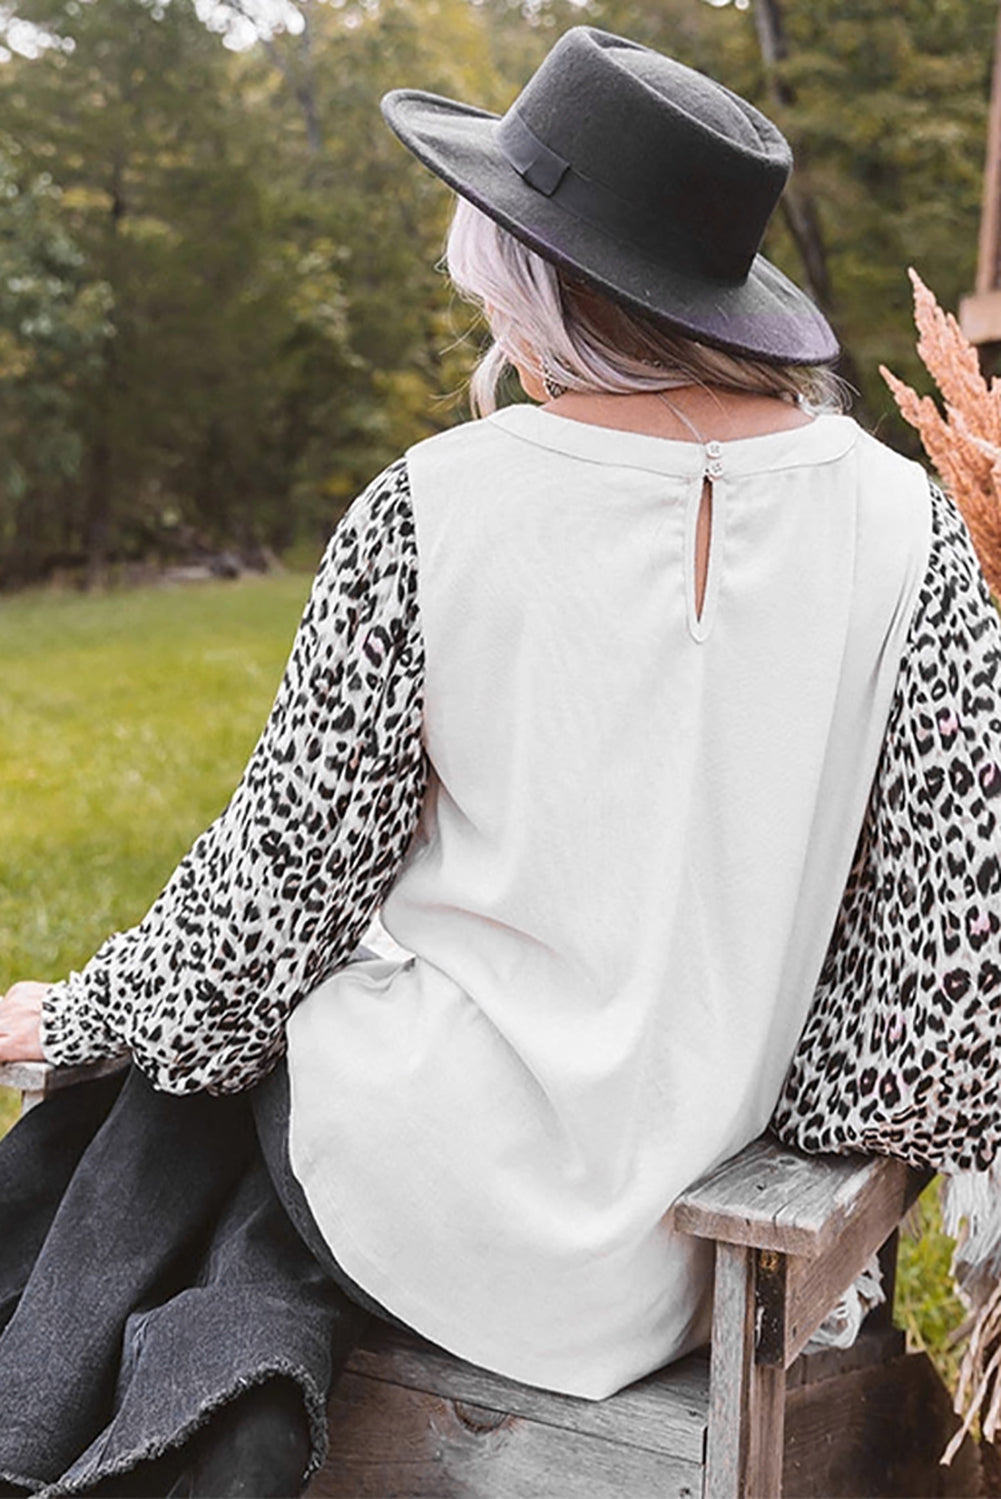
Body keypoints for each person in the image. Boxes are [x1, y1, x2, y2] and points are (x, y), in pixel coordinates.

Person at [2, 23, 1000, 1497]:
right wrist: (727, 1093)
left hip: (439, 1186)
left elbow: (264, 920)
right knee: (198, 1083)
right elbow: (941, 992)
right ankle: (203, 1393)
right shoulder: (910, 534)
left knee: (157, 1084)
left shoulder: (431, 508)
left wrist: (62, 1015)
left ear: (534, 276)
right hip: (692, 1252)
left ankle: (176, 1416)